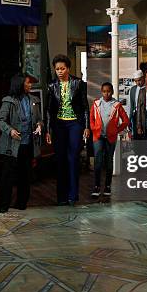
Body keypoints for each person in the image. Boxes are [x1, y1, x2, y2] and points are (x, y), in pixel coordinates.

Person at [45, 54, 90, 206]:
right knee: (60, 160)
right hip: (59, 125)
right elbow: (48, 110)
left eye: (63, 68)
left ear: (68, 68)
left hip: (75, 124)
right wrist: (47, 130)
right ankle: (61, 197)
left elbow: (85, 107)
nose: (60, 71)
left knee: (73, 158)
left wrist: (86, 127)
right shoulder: (51, 85)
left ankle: (73, 195)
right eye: (57, 69)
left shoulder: (78, 83)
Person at [0, 73, 43, 213]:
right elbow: (0, 120)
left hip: (28, 144)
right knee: (7, 177)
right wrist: (10, 131)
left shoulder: (34, 100)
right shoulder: (9, 101)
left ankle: (21, 204)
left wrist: (40, 125)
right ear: (20, 84)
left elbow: (39, 119)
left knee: (25, 176)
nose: (30, 85)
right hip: (12, 146)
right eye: (27, 83)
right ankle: (3, 206)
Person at [90, 82, 129, 198]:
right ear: (101, 92)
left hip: (110, 137)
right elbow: (91, 118)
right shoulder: (96, 104)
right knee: (98, 160)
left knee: (108, 161)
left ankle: (107, 186)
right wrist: (93, 128)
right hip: (98, 136)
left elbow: (126, 120)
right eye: (104, 91)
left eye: (109, 91)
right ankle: (96, 186)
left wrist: (117, 130)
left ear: (112, 92)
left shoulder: (117, 105)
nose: (106, 93)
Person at [127, 70, 145, 139]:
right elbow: (131, 105)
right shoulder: (133, 89)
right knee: (136, 137)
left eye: (139, 80)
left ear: (143, 78)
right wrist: (129, 118)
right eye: (136, 81)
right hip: (135, 116)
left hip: (145, 115)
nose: (138, 83)